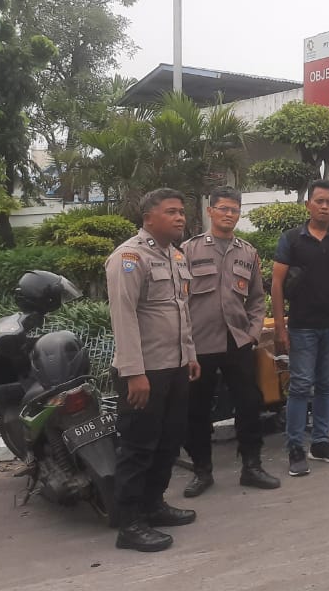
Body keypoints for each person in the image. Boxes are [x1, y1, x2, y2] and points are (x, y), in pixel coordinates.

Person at [106, 188, 202, 552]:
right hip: (145, 372)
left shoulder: (175, 256)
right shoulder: (129, 257)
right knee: (138, 447)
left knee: (167, 441)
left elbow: (180, 309)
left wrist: (190, 355)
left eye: (181, 212)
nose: (180, 217)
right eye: (171, 212)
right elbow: (124, 317)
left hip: (174, 367)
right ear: (148, 218)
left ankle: (153, 504)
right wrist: (134, 372)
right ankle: (130, 524)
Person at [181, 187, 281, 497]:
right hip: (200, 344)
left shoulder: (247, 252)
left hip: (237, 342)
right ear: (210, 211)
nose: (229, 214)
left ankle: (252, 466)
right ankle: (202, 471)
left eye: (234, 210)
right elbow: (178, 299)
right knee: (196, 410)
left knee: (249, 404)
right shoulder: (189, 250)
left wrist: (252, 333)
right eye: (223, 208)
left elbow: (256, 299)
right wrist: (184, 341)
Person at [271, 180, 329, 478]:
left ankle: (321, 442)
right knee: (300, 386)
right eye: (319, 201)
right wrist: (280, 327)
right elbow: (276, 285)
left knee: (327, 385)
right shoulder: (291, 239)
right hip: (302, 327)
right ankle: (295, 447)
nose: (324, 206)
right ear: (308, 204)